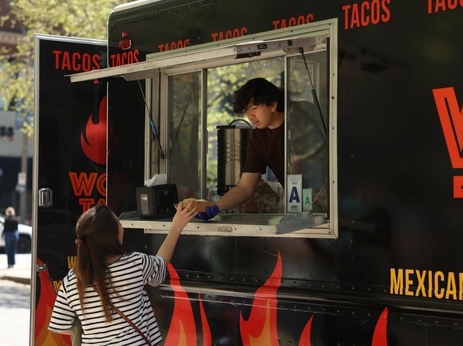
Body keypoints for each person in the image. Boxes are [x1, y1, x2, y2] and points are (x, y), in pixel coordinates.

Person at [48, 201, 199, 345]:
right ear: (111, 235)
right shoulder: (135, 265)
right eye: (119, 224)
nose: (123, 227)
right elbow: (161, 261)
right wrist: (177, 227)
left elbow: (61, 326)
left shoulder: (72, 279)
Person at [197, 77, 328, 220]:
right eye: (246, 110)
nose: (250, 116)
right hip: (299, 202)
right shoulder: (258, 139)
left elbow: (302, 162)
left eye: (254, 108)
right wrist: (216, 207)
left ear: (272, 105)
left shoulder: (301, 115)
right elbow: (245, 187)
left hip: (327, 195)